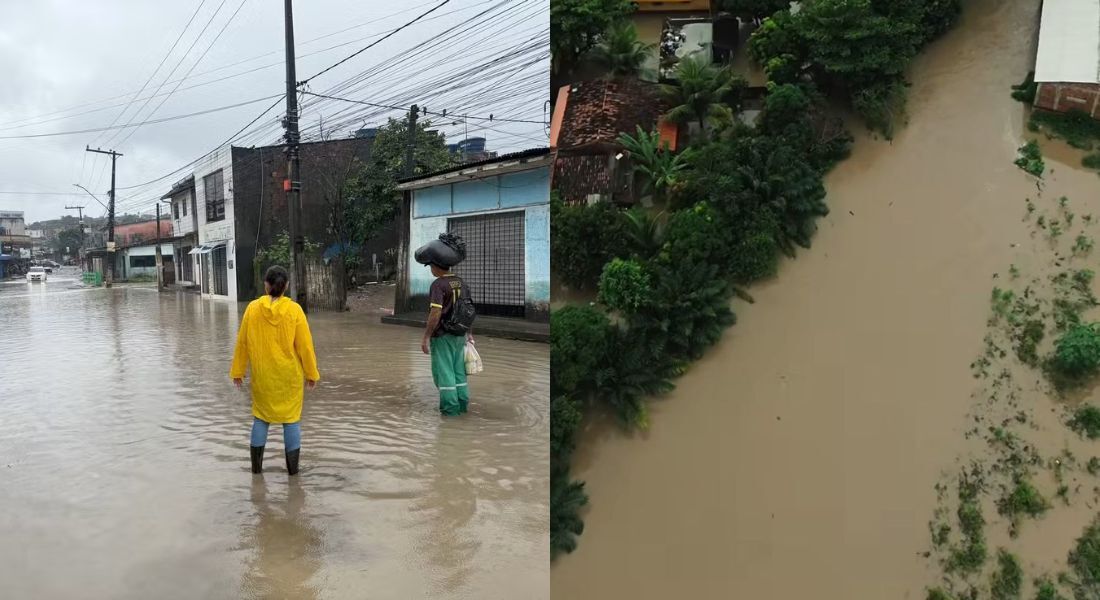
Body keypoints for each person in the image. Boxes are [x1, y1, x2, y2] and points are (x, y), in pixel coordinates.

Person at [231, 265, 320, 475]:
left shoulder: (252, 309)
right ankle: (293, 473)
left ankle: (256, 472)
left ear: (266, 285)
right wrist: (311, 374)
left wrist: (238, 371)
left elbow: (242, 343)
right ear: (286, 286)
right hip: (289, 377)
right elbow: (305, 346)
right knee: (291, 420)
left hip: (262, 376)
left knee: (261, 418)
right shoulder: (294, 310)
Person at [421, 262, 471, 416]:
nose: (431, 270)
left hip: (443, 335)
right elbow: (468, 310)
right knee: (459, 372)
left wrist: (426, 336)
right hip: (460, 335)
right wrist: (469, 332)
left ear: (436, 267)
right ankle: (462, 406)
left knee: (444, 373)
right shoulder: (461, 282)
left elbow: (436, 312)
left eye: (431, 267)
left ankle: (450, 413)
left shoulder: (438, 285)